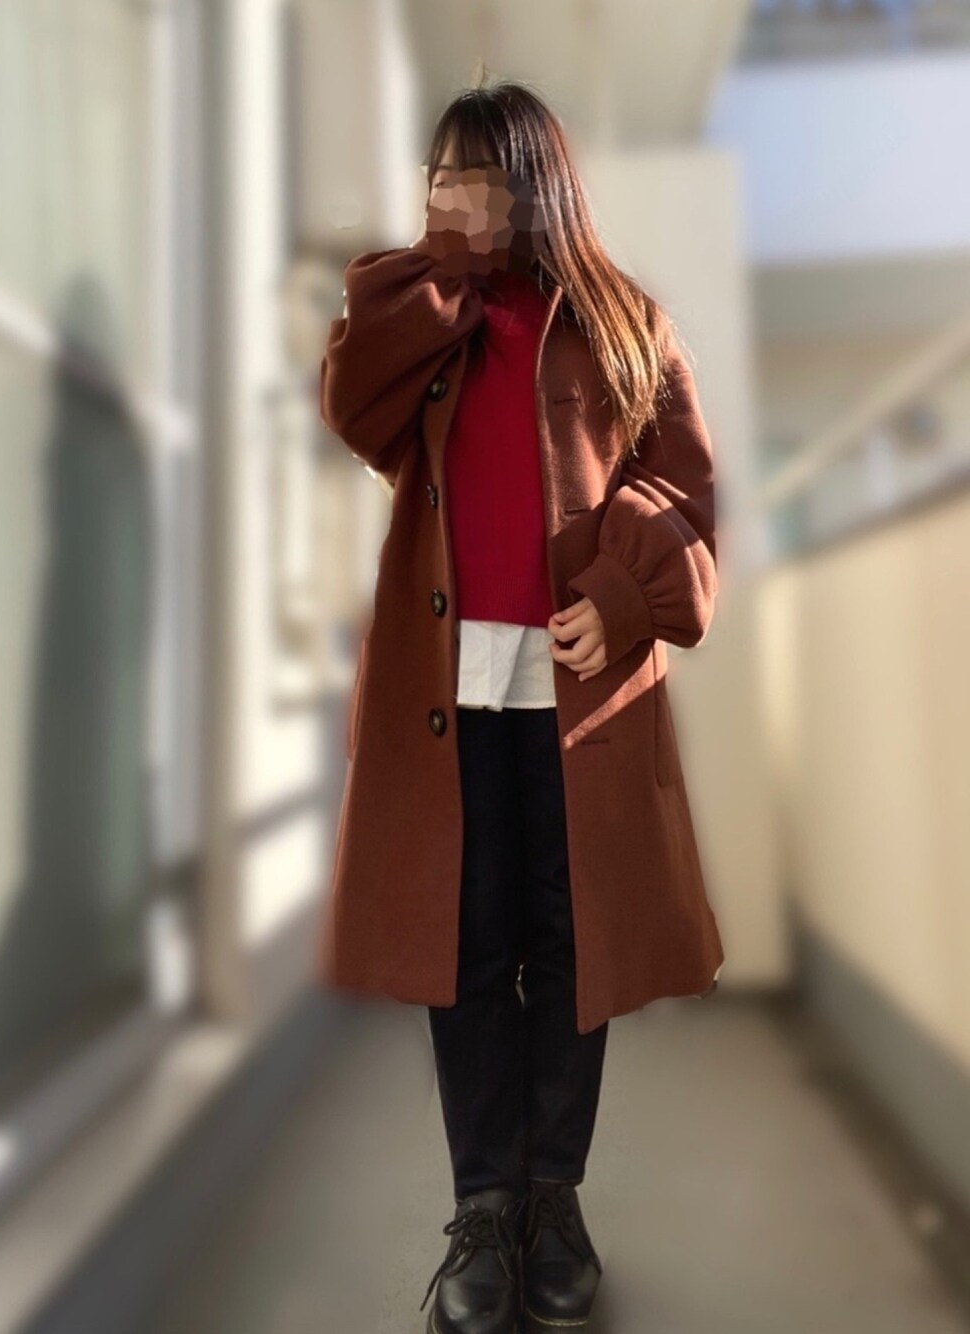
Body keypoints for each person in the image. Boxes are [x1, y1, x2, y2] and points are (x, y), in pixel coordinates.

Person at [318, 79, 723, 1334]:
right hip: (445, 693)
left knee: (567, 937)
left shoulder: (621, 319)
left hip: (577, 689)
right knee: (466, 941)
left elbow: (681, 486)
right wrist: (443, 261)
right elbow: (351, 403)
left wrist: (622, 595)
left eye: (479, 176)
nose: (456, 196)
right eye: (440, 176)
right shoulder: (420, 312)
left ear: (534, 182)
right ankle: (483, 1205)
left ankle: (555, 1197)